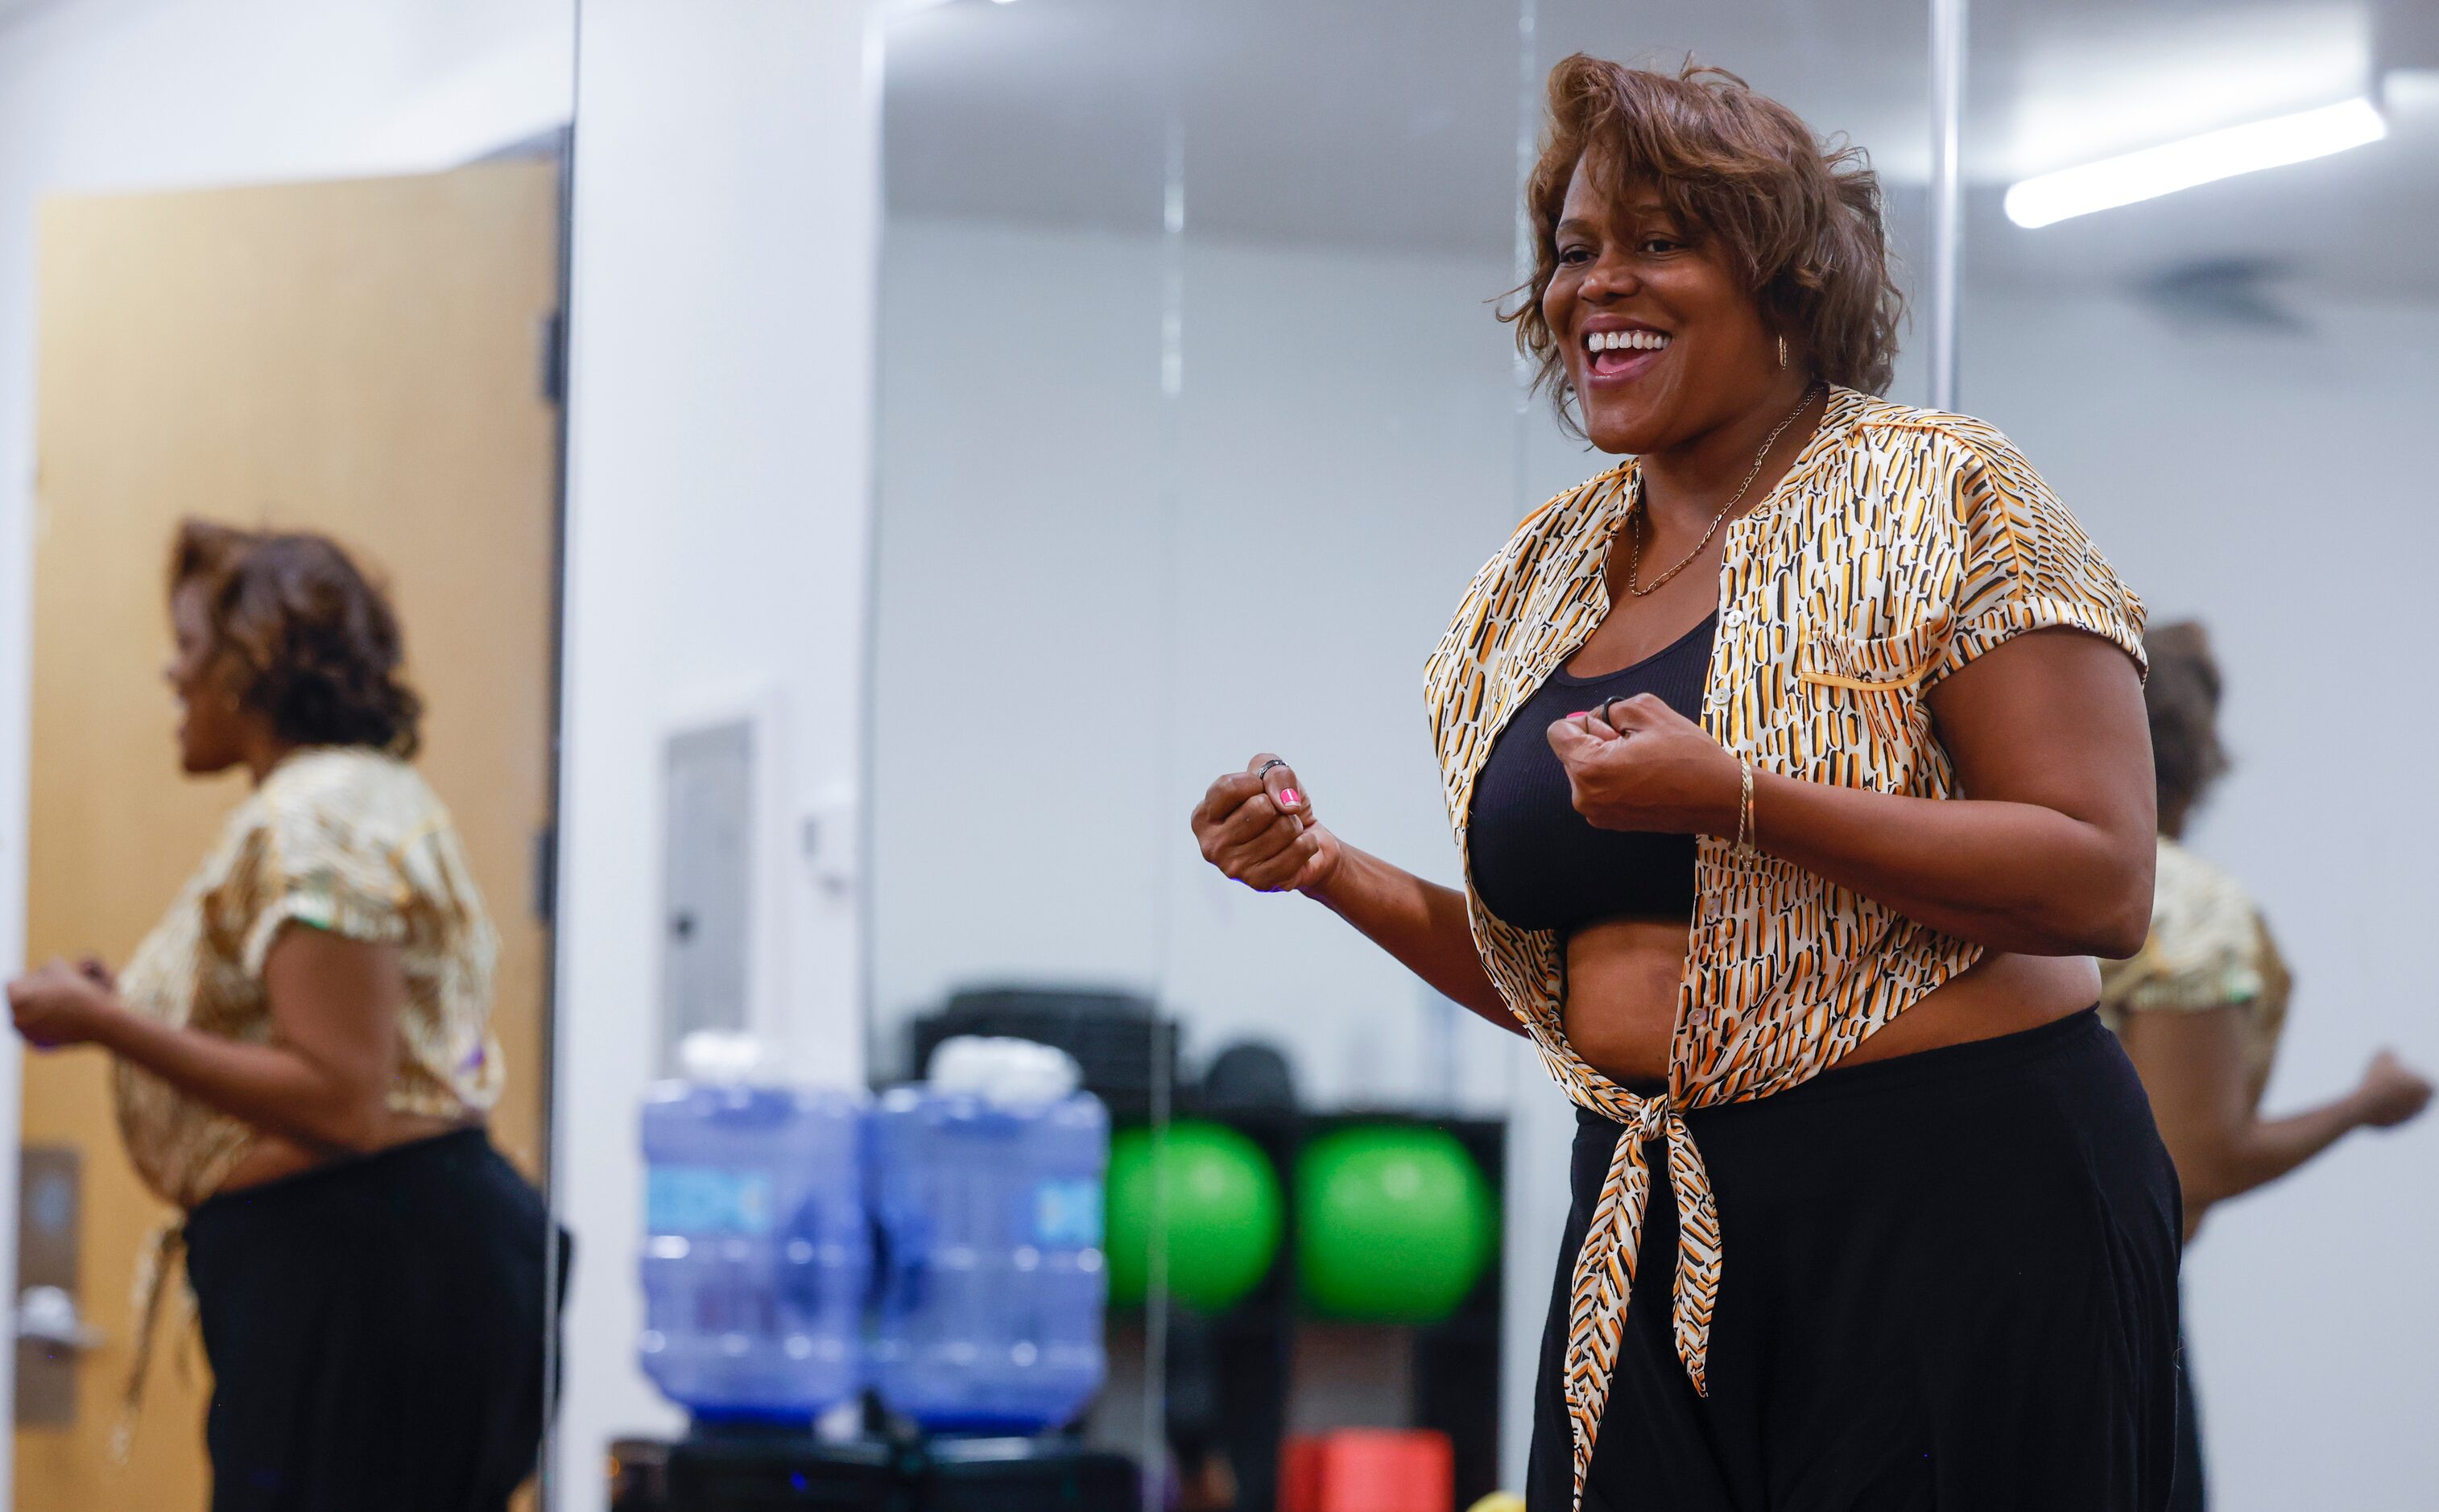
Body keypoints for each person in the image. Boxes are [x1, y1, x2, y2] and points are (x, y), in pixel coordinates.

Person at [1191, 58, 2180, 1512]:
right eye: (1573, 250)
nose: (1596, 284)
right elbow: (1572, 979)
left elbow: (2101, 877)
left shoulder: (1943, 493)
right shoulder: (1536, 583)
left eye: (1658, 242)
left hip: (1953, 1193)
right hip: (1648, 1205)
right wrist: (1326, 865)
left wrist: (1742, 799)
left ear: (1787, 281)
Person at [6, 521, 560, 1511]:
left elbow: (340, 1096)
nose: (172, 676)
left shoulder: (317, 819)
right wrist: (122, 1009)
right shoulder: (353, 801)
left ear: (250, 664)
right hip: (389, 1265)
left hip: (363, 1278)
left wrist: (107, 1027)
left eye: (188, 647)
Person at [2104, 619, 2432, 1512]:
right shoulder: (2182, 908)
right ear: (2195, 758)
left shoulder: (1971, 870)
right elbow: (2195, 1162)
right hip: (2108, 1315)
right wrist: (2363, 1105)